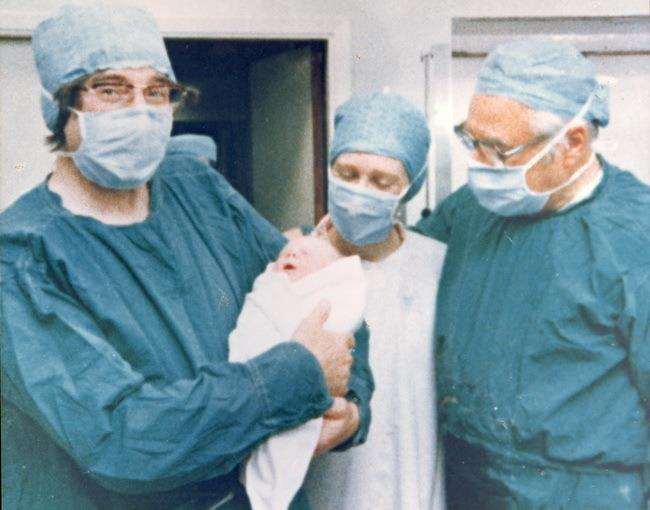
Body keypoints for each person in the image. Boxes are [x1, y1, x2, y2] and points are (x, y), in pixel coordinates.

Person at [0, 5, 372, 510]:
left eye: (156, 91)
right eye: (111, 89)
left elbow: (324, 300)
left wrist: (351, 411)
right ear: (60, 107)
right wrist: (299, 376)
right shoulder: (23, 256)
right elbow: (123, 437)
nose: (140, 109)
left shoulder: (197, 190)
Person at [415, 39, 650, 509]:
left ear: (573, 143)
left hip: (582, 493)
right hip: (468, 479)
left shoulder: (634, 240)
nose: (478, 164)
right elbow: (400, 264)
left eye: (499, 150)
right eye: (471, 140)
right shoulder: (471, 210)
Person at [304, 92, 447, 510]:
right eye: (347, 173)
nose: (360, 190)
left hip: (419, 486)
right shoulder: (297, 264)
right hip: (325, 487)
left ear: (410, 187)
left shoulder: (437, 266)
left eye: (382, 181)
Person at [229, 235, 366, 510]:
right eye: (286, 253)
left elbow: (347, 358)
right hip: (240, 403)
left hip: (282, 411)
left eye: (304, 254)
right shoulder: (269, 289)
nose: (291, 255)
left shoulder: (327, 302)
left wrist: (355, 412)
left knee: (278, 460)